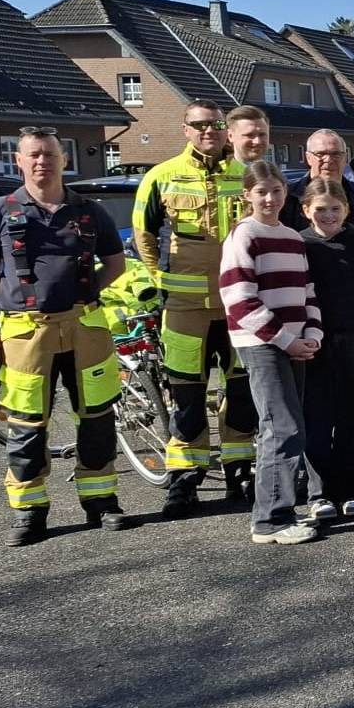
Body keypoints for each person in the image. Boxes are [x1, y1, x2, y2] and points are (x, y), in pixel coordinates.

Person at [0, 126, 128, 544]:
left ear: (64, 160)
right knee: (26, 424)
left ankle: (101, 501)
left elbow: (114, 264)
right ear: (19, 161)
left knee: (96, 417)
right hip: (26, 334)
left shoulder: (89, 210)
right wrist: (16, 299)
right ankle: (30, 512)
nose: (43, 162)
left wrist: (83, 295)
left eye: (50, 155)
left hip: (85, 328)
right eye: (34, 155)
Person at [132, 100, 255, 515]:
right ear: (185, 129)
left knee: (240, 393)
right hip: (185, 309)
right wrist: (159, 283)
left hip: (238, 306)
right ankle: (185, 477)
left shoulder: (245, 176)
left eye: (217, 124)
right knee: (187, 396)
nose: (209, 131)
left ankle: (240, 469)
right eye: (200, 125)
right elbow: (143, 234)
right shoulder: (161, 177)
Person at [219, 160, 323, 544]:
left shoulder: (293, 239)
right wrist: (284, 339)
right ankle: (271, 519)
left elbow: (307, 292)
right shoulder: (244, 236)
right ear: (247, 195)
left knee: (278, 428)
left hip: (294, 344)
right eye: (261, 192)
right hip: (263, 345)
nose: (270, 198)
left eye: (276, 191)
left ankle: (274, 513)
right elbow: (239, 300)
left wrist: (312, 332)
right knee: (282, 427)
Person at [298, 177, 354, 520]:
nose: (329, 216)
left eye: (336, 209)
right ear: (306, 211)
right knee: (316, 416)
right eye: (320, 210)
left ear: (347, 210)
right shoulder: (300, 245)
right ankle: (319, 492)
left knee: (351, 415)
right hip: (312, 341)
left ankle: (348, 488)